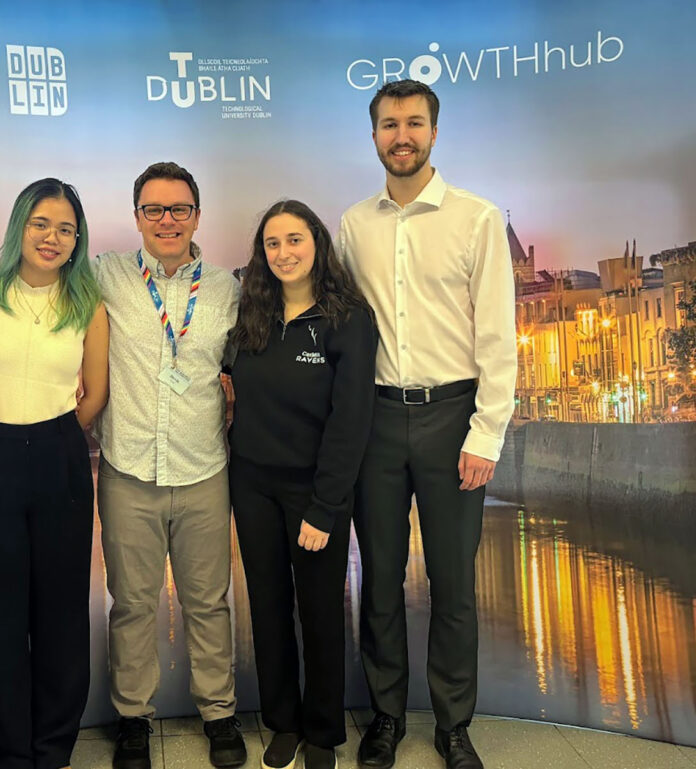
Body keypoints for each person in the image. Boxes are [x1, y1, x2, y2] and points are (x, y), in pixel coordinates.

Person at [337, 80, 517, 769]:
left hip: (453, 418)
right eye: (389, 124)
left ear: (434, 133)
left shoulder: (476, 218)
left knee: (453, 582)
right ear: (374, 135)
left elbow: (499, 334)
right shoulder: (354, 225)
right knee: (378, 578)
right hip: (378, 421)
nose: (401, 135)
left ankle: (452, 723)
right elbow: (345, 328)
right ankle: (385, 714)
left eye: (414, 123)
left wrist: (486, 432)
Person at [92, 162, 246, 769]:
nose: (167, 220)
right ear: (137, 218)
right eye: (153, 210)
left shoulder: (228, 289)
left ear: (197, 216)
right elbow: (29, 272)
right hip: (128, 471)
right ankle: (133, 718)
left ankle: (220, 713)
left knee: (209, 601)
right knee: (132, 603)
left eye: (179, 209)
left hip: (205, 469)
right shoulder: (105, 275)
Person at [0, 178, 109, 769]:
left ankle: (53, 750)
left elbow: (95, 393)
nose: (52, 237)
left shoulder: (87, 305)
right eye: (41, 223)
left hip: (60, 456)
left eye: (66, 228)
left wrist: (55, 436)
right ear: (21, 225)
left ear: (77, 240)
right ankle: (11, 754)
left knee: (62, 613)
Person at [226, 200, 377, 769]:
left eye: (294, 240)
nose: (284, 253)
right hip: (253, 486)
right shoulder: (252, 315)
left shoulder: (347, 319)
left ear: (317, 243)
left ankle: (323, 733)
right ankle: (282, 722)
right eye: (272, 244)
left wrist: (326, 506)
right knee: (267, 610)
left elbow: (351, 419)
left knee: (319, 613)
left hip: (317, 492)